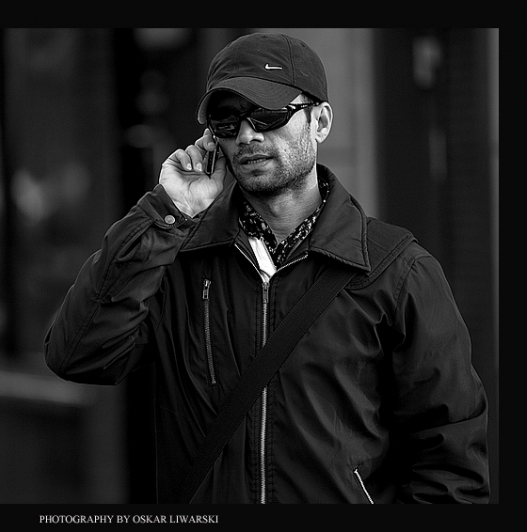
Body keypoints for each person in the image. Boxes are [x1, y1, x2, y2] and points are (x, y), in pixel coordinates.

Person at [44, 32, 489, 504]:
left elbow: (449, 466)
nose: (248, 135)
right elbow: (78, 355)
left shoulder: (397, 271)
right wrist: (167, 211)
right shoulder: (177, 260)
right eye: (228, 121)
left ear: (320, 122)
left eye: (269, 115)